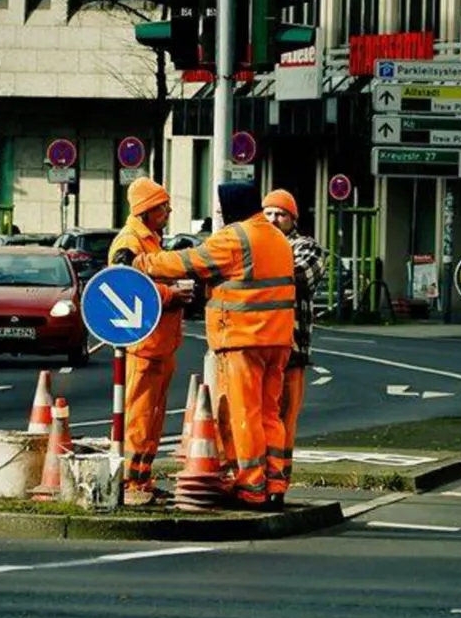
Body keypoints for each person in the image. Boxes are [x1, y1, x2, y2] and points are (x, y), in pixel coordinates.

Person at [133, 182, 295, 511]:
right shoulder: (277, 238)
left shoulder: (236, 237)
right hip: (278, 340)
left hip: (243, 339)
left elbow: (188, 262)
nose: (219, 215)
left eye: (221, 208)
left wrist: (141, 263)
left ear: (233, 207)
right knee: (270, 414)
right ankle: (275, 483)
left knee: (243, 414)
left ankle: (251, 485)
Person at [108, 178, 192, 505]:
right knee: (138, 415)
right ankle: (131, 481)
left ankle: (142, 478)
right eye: (162, 206)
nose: (168, 210)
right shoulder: (129, 243)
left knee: (152, 416)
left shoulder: (150, 241)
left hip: (159, 344)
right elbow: (123, 286)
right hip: (144, 344)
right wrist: (172, 294)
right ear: (145, 210)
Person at [262, 189, 326, 498]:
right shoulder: (258, 244)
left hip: (292, 350)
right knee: (256, 416)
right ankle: (255, 478)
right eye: (269, 213)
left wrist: (257, 272)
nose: (273, 220)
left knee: (284, 419)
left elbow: (298, 279)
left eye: (280, 214)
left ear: (293, 219)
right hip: (258, 347)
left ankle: (277, 483)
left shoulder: (306, 248)